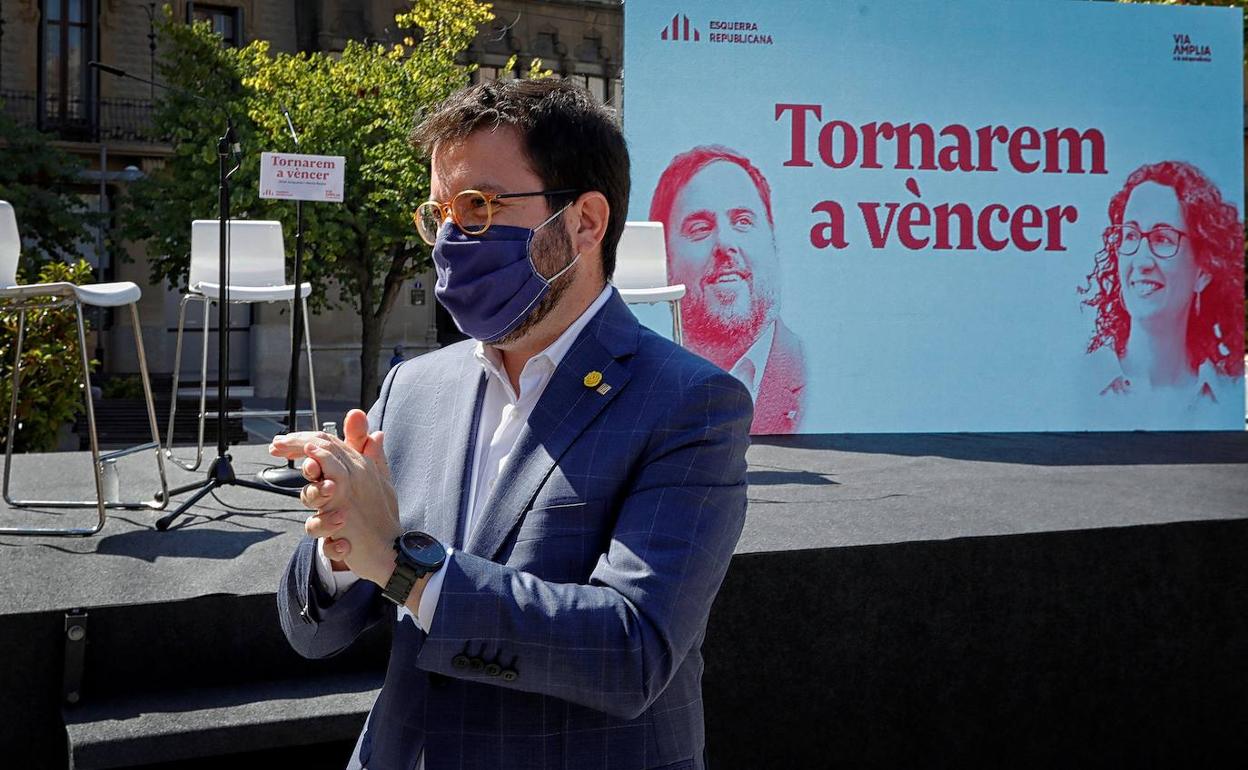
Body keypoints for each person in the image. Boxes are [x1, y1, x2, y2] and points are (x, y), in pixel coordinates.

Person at [270, 78, 752, 770]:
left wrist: (398, 569)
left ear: (585, 222)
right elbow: (308, 632)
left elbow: (631, 652)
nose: (448, 240)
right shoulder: (415, 388)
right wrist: (341, 546)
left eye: (477, 207)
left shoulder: (690, 403)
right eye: (437, 213)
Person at [649, 145, 807, 434]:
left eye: (743, 221)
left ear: (773, 243)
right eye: (699, 227)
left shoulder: (814, 378)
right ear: (665, 257)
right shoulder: (645, 386)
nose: (725, 244)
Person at [1080, 160, 1244, 412]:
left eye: (1163, 239)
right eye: (1131, 235)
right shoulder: (1077, 386)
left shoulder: (1231, 397)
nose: (1142, 261)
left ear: (1203, 271)